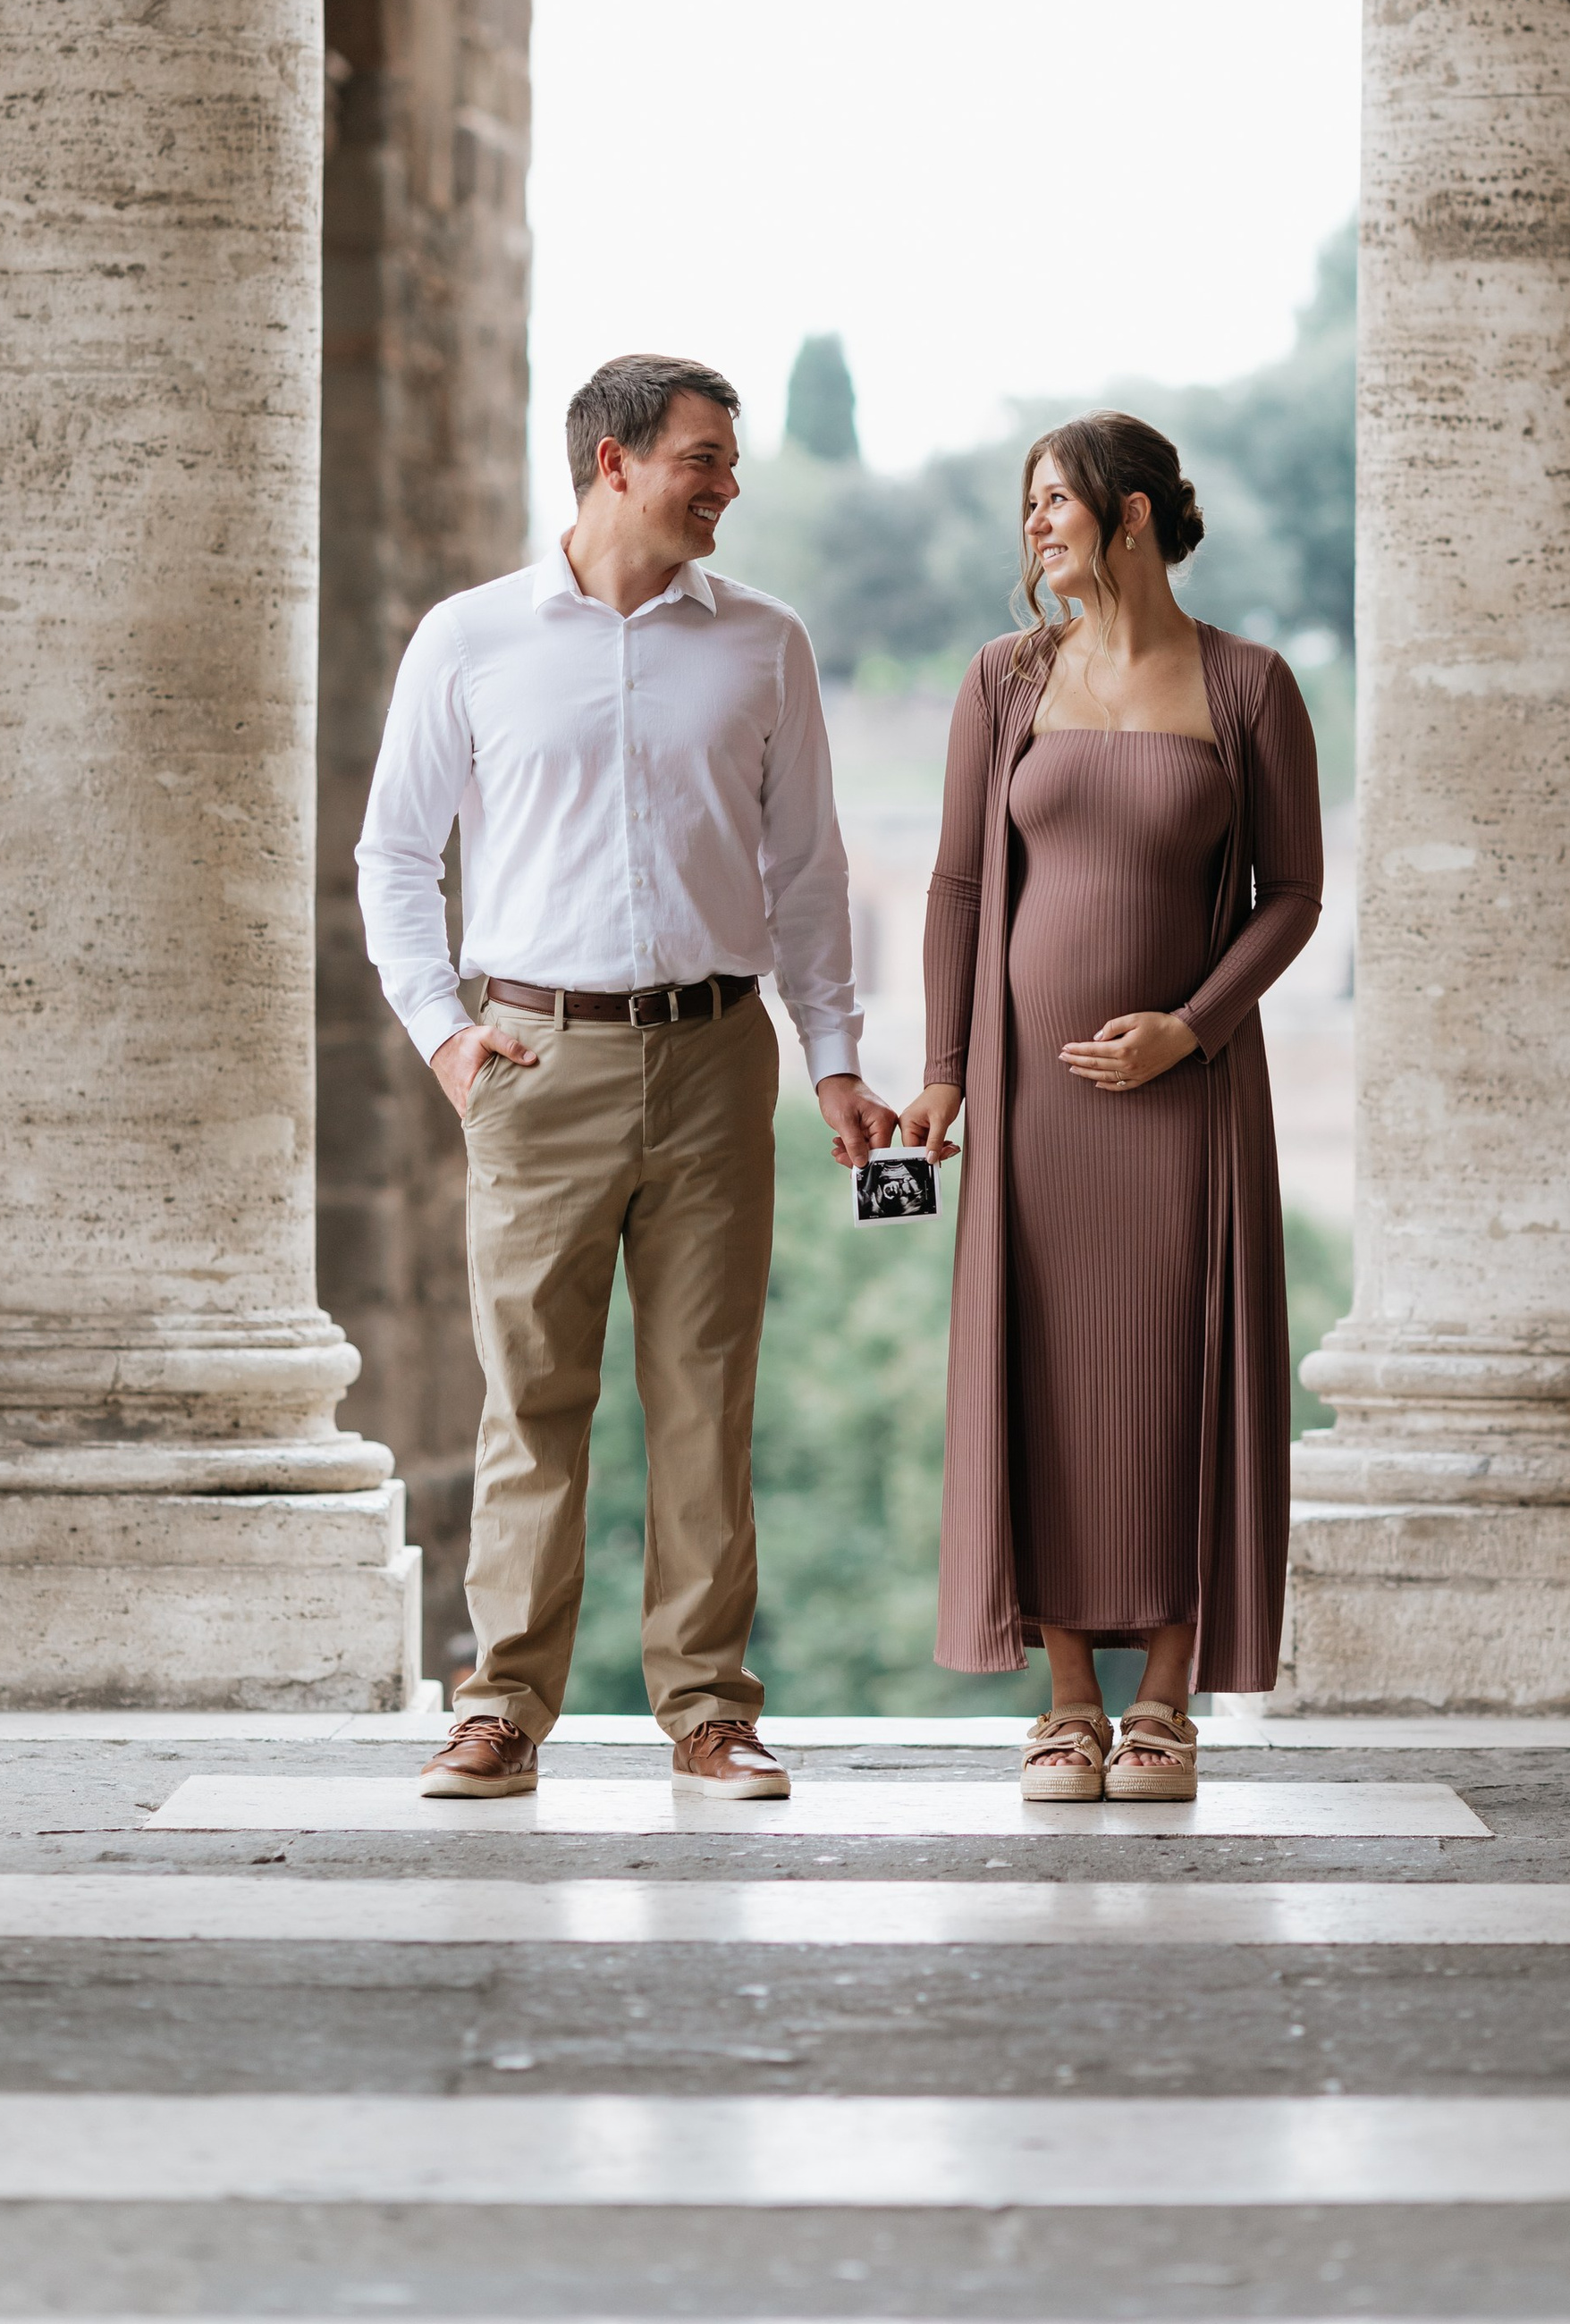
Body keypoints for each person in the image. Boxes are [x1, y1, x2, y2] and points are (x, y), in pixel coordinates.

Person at [358, 353, 896, 1801]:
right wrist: (447, 1038)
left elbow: (807, 876)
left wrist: (834, 1061)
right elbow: (396, 857)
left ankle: (710, 1708)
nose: (728, 487)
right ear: (614, 463)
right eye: (703, 460)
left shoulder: (765, 645)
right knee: (529, 1395)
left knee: (704, 1394)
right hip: (537, 1058)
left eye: (729, 464)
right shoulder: (468, 641)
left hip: (720, 1056)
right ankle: (503, 1707)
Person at [897, 413, 1323, 1803]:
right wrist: (950, 1070)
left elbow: (1296, 895)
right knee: (1049, 1381)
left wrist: (1191, 1030)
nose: (1035, 524)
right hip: (1030, 1108)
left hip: (1187, 1099)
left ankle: (1165, 1698)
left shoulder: (1252, 686)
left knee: (1180, 1379)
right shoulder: (1005, 678)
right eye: (1027, 502)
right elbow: (960, 886)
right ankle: (1069, 1695)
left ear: (1131, 515)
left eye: (1055, 499)